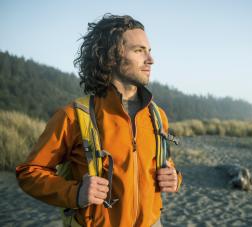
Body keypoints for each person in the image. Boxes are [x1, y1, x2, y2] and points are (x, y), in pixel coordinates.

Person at [16, 14, 182, 227]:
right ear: (111, 57)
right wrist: (75, 193)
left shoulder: (158, 116)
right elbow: (29, 173)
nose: (150, 60)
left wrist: (174, 177)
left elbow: (163, 162)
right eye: (139, 51)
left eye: (149, 51)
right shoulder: (74, 116)